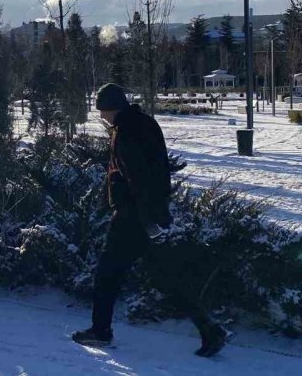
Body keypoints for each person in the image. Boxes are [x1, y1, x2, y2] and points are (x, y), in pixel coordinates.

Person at [71, 83, 231, 357]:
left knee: (107, 275)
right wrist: (157, 215)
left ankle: (101, 331)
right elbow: (158, 171)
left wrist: (144, 219)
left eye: (103, 112)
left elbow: (137, 180)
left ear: (111, 108)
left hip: (132, 219)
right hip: (152, 214)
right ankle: (210, 329)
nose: (103, 118)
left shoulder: (125, 134)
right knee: (167, 276)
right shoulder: (146, 123)